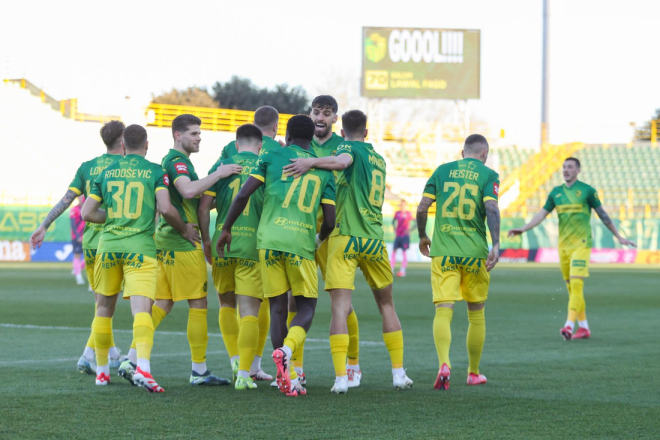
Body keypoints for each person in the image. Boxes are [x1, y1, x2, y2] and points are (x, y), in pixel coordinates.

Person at [283, 110, 413, 394]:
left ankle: (341, 378)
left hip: (345, 237)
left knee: (339, 308)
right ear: (366, 132)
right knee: (387, 306)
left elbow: (342, 162)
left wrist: (311, 162)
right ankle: (399, 374)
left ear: (342, 132)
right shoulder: (379, 158)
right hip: (375, 239)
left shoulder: (346, 148)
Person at [217, 115, 336, 397]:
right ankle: (287, 350)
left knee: (277, 309)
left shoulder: (270, 156)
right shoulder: (322, 169)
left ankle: (288, 376)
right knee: (306, 307)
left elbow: (243, 195)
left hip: (268, 241)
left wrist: (225, 228)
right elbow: (330, 221)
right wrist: (318, 240)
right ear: (311, 136)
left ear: (286, 133)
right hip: (300, 243)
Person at [122, 114, 240, 386]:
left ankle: (131, 358)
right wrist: (219, 174)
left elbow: (191, 198)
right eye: (194, 133)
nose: (199, 138)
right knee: (199, 303)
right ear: (178, 135)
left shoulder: (177, 161)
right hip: (181, 244)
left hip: (164, 243)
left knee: (163, 303)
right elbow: (187, 192)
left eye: (200, 134)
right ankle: (199, 371)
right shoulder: (176, 162)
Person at [82, 124, 197, 392]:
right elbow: (166, 208)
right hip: (140, 248)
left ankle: (101, 373)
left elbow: (87, 213)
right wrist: (182, 228)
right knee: (142, 310)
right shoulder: (155, 171)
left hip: (108, 246)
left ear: (122, 146)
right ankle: (143, 367)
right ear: (147, 145)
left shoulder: (107, 172)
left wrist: (113, 219)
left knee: (103, 309)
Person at [29, 120, 126, 375]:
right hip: (114, 240)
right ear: (123, 141)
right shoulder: (127, 166)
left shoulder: (87, 166)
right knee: (107, 305)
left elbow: (66, 199)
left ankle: (110, 354)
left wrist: (44, 225)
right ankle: (89, 356)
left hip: (90, 243)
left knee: (101, 304)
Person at [508, 157, 635, 340]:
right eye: (564, 167)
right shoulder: (556, 193)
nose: (566, 170)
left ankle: (568, 325)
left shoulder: (587, 191)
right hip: (564, 247)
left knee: (576, 285)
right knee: (572, 289)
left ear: (578, 170)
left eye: (570, 167)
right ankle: (583, 328)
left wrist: (619, 237)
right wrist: (524, 228)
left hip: (581, 245)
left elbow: (603, 215)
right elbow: (541, 214)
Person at [283, 95, 362, 387]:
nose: (320, 116)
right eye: (316, 111)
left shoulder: (342, 148)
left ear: (335, 120)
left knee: (341, 302)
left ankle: (353, 363)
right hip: (301, 229)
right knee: (296, 296)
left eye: (327, 113)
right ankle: (297, 367)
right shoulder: (300, 143)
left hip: (333, 231)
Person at [416, 134, 500, 390]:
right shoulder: (488, 174)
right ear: (484, 153)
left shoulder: (442, 171)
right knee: (476, 315)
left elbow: (422, 208)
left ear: (462, 152)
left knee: (443, 310)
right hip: (475, 253)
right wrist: (495, 243)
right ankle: (473, 373)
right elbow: (492, 209)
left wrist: (422, 236)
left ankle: (444, 363)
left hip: (443, 252)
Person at [198, 124, 272, 390]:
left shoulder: (223, 165)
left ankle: (234, 358)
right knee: (250, 310)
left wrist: (206, 240)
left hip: (221, 243)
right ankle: (244, 374)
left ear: (236, 144)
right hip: (253, 245)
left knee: (226, 304)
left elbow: (204, 206)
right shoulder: (266, 165)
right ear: (260, 145)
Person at [391, 200, 415, 277]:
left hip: (405, 236)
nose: (402, 206)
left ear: (406, 206)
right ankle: (391, 269)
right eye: (401, 205)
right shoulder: (397, 213)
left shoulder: (409, 214)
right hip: (398, 235)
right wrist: (394, 228)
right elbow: (393, 221)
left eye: (404, 205)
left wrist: (410, 230)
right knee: (394, 251)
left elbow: (416, 222)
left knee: (404, 252)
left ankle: (402, 270)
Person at [70, 196, 86, 285]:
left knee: (90, 256)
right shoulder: (74, 210)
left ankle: (78, 267)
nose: (82, 199)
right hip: (77, 237)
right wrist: (77, 236)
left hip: (87, 237)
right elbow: (72, 224)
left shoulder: (88, 209)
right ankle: (79, 277)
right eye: (80, 197)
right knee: (77, 255)